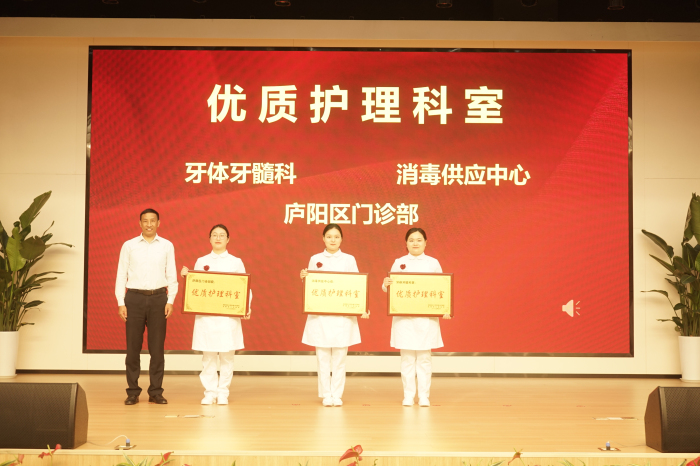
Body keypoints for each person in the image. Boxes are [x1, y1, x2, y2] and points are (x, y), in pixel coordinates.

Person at [180, 224, 251, 405]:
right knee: (208, 357)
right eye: (214, 235)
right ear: (209, 239)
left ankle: (223, 392)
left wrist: (246, 307)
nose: (218, 238)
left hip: (228, 318)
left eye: (222, 235)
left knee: (227, 357)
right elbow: (196, 287)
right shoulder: (201, 261)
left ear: (228, 239)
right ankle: (210, 392)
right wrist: (187, 277)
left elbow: (245, 287)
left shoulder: (235, 262)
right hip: (207, 318)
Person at [299, 224, 370, 407]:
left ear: (341, 239)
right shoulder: (315, 259)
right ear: (323, 238)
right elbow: (312, 288)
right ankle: (326, 394)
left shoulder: (349, 259)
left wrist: (361, 307)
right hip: (321, 316)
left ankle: (337, 394)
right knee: (322, 359)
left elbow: (357, 285)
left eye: (336, 236)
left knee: (339, 359)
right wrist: (305, 278)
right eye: (329, 236)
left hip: (342, 317)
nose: (333, 240)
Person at [382, 227, 451, 407]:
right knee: (407, 359)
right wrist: (386, 284)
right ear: (406, 243)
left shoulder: (433, 263)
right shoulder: (399, 263)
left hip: (426, 319)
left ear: (425, 242)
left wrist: (445, 307)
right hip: (404, 319)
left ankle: (424, 396)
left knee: (424, 359)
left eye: (419, 240)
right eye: (411, 240)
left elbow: (442, 288)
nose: (415, 243)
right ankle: (408, 395)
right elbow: (391, 290)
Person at [116, 208, 178, 405]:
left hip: (158, 298)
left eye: (153, 220)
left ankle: (155, 392)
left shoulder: (167, 245)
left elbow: (172, 275)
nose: (149, 224)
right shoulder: (129, 245)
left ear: (158, 223)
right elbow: (121, 274)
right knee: (132, 349)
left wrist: (170, 300)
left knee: (157, 349)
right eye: (145, 221)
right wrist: (121, 302)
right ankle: (132, 392)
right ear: (140, 223)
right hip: (133, 299)